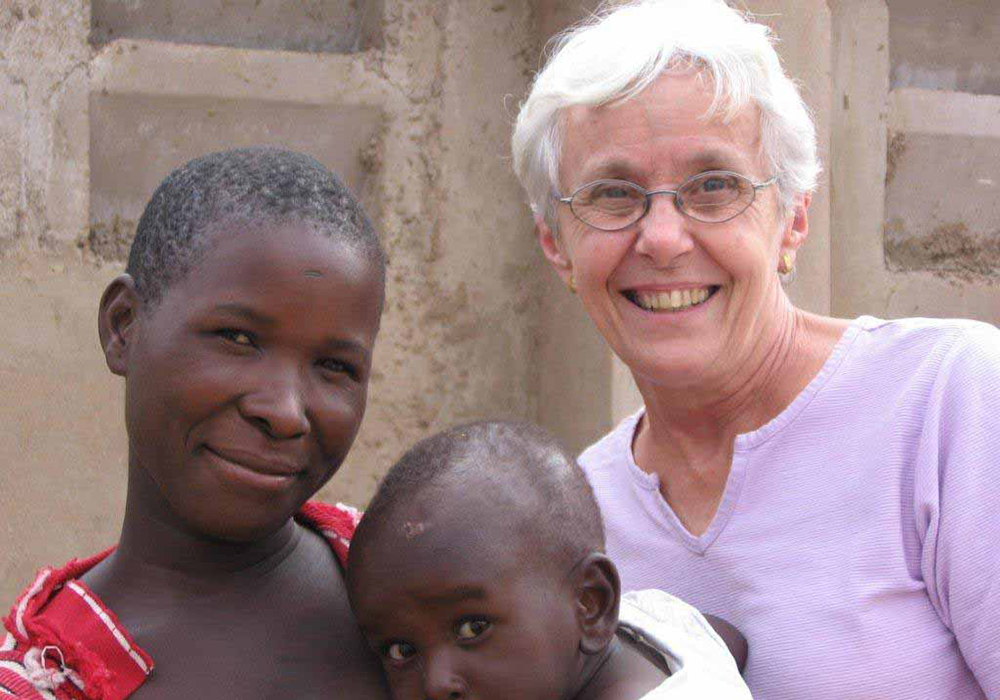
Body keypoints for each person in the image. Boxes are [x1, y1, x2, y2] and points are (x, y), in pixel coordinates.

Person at [510, 1, 1000, 698]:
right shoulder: (580, 517)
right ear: (556, 244)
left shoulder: (949, 406)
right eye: (613, 195)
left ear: (793, 217)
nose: (663, 237)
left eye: (714, 186)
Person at [1, 148, 389, 700]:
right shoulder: (48, 683)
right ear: (123, 326)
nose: (283, 411)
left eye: (335, 366)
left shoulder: (420, 604)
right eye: (238, 338)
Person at [346, 420, 752, 700]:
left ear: (591, 604)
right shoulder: (658, 623)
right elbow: (726, 641)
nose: (436, 684)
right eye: (401, 651)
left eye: (473, 628)